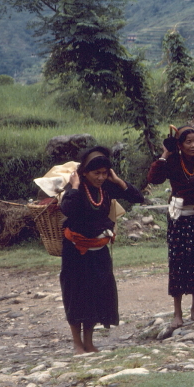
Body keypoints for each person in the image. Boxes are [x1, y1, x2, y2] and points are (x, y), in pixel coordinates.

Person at [59, 146, 144, 354]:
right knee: (76, 294)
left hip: (99, 251)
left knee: (96, 294)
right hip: (76, 253)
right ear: (84, 172)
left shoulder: (106, 187)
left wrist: (118, 181)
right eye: (96, 173)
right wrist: (76, 185)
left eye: (104, 173)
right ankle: (77, 343)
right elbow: (67, 209)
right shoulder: (76, 189)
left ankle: (89, 342)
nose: (100, 177)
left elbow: (138, 197)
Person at [147, 125, 194, 329]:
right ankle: (177, 312)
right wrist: (166, 153)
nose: (193, 145)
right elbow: (153, 178)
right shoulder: (173, 160)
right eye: (188, 142)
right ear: (180, 145)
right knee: (178, 263)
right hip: (179, 219)